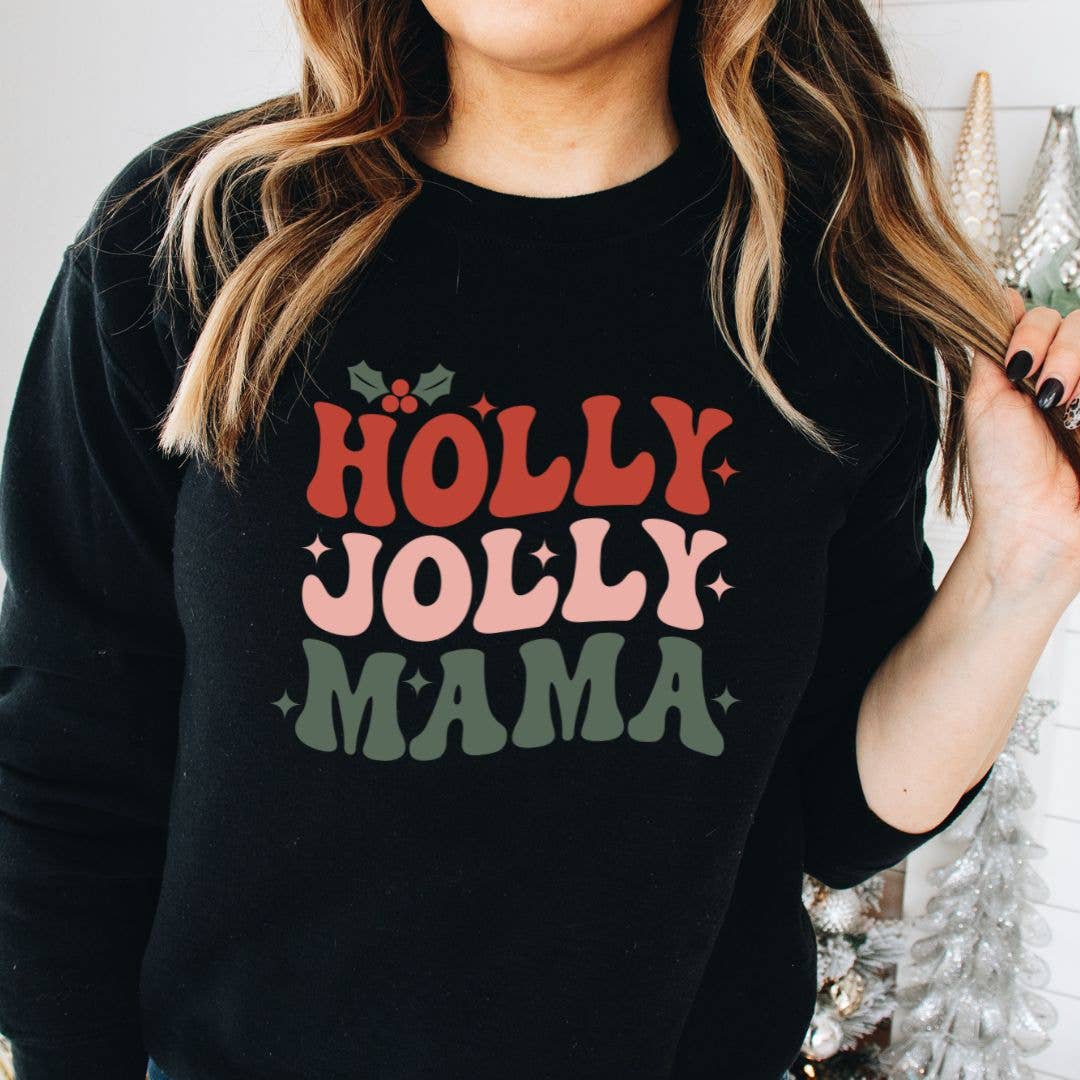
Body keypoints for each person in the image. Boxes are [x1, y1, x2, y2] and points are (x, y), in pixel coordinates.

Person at [1, 1, 1079, 1078]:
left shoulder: (829, 295)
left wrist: (1025, 560)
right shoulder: (196, 240)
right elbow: (67, 761)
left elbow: (842, 817)